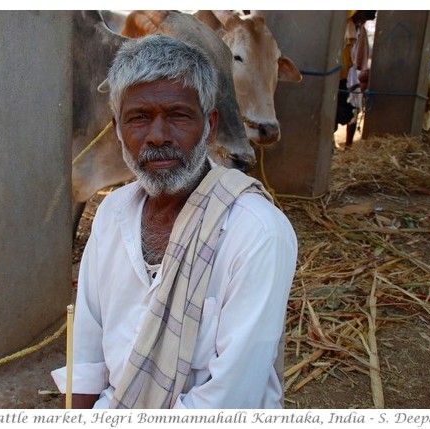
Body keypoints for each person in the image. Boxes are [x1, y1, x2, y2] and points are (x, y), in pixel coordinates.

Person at [51, 34, 298, 409]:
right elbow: (87, 352)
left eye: (178, 116)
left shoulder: (257, 232)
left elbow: (230, 398)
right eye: (139, 118)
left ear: (210, 126)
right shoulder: (111, 214)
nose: (157, 137)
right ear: (118, 129)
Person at [335, 10, 376, 149]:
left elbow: (359, 61)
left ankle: (348, 144)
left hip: (351, 75)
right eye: (362, 17)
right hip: (338, 74)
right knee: (337, 108)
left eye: (365, 20)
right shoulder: (344, 24)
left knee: (352, 109)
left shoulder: (361, 31)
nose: (362, 21)